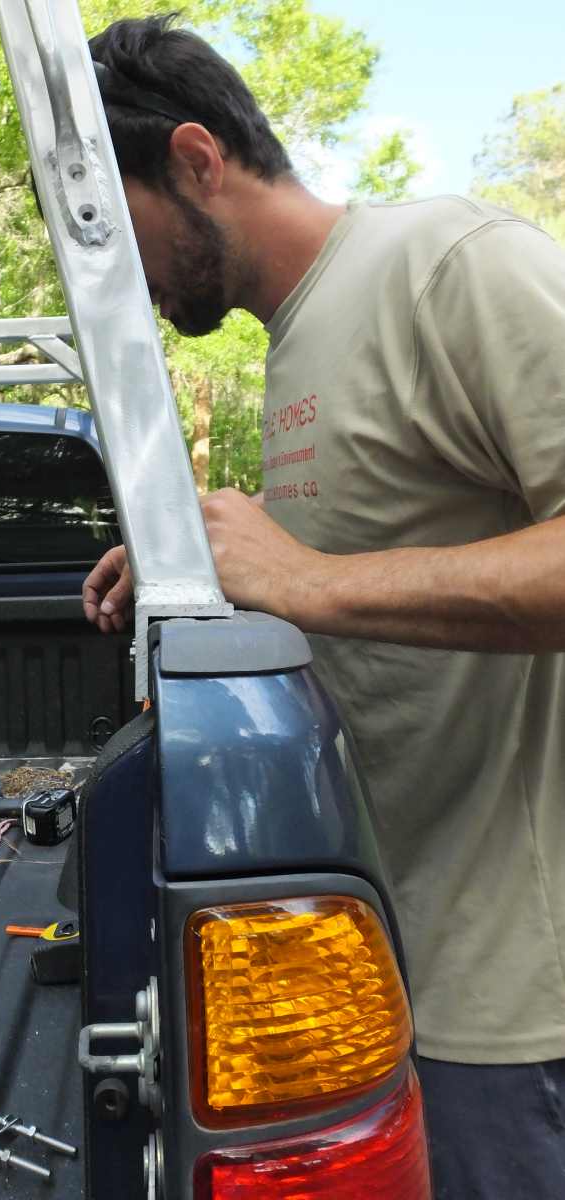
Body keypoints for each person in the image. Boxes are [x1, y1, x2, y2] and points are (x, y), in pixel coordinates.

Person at [80, 14, 565, 1199]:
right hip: (390, 975)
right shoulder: (296, 342)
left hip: (517, 1008)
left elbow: (328, 577)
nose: (113, 272)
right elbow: (388, 563)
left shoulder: (449, 259)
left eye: (115, 220)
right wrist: (203, 555)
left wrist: (299, 579)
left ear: (196, 158)